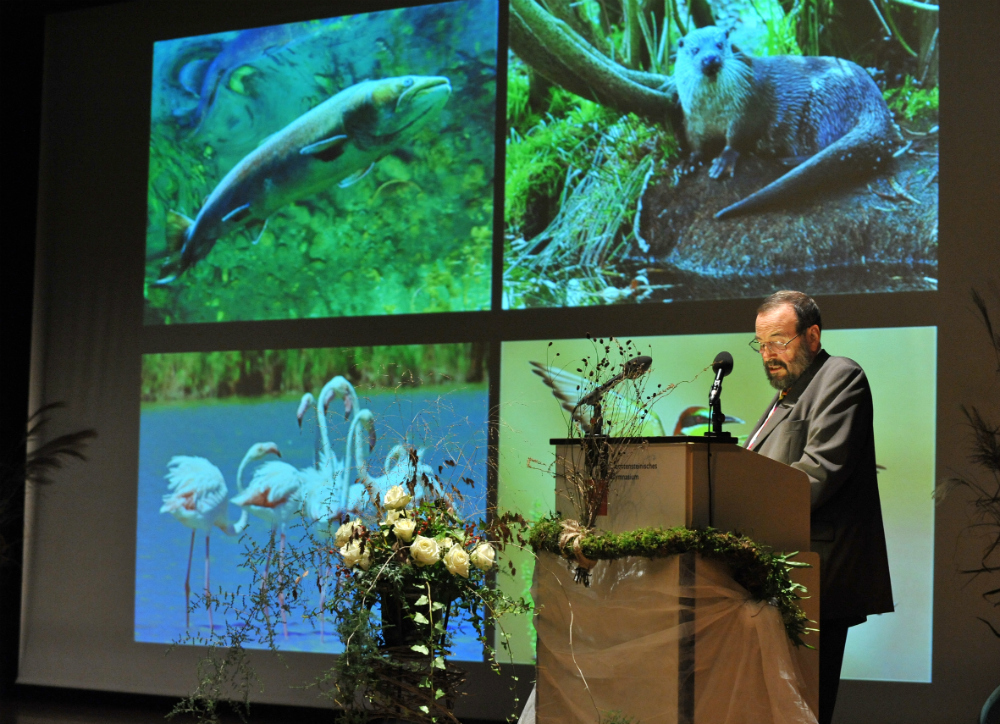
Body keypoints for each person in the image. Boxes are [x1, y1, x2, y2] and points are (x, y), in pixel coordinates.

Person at [745, 290, 893, 724]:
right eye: (762, 344)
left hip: (813, 580)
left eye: (779, 341)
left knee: (803, 712)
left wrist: (740, 510)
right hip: (774, 579)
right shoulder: (788, 393)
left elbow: (818, 473)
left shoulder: (840, 377)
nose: (769, 354)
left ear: (812, 335)